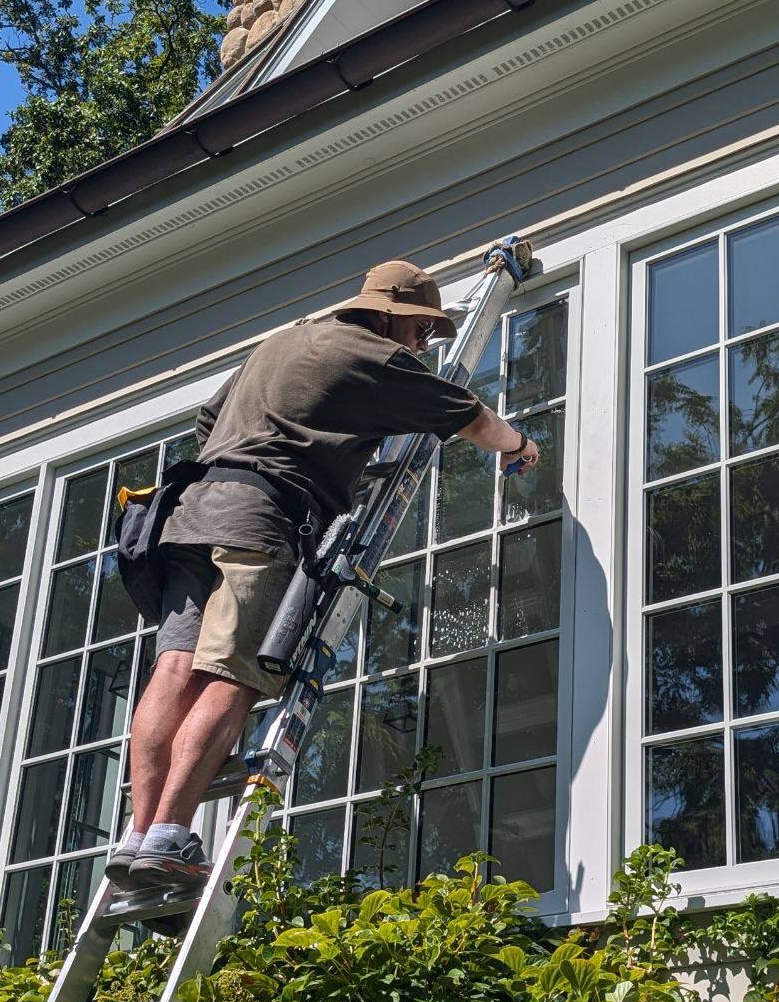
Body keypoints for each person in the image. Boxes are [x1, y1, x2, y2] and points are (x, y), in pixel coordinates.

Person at [105, 259, 539, 892]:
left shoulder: (279, 342)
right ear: (389, 314)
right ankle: (170, 834)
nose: (424, 346)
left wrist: (316, 456)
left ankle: (140, 834)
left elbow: (207, 422)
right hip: (258, 523)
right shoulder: (375, 356)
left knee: (172, 669)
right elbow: (472, 419)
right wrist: (521, 447)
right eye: (421, 331)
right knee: (232, 674)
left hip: (190, 515)